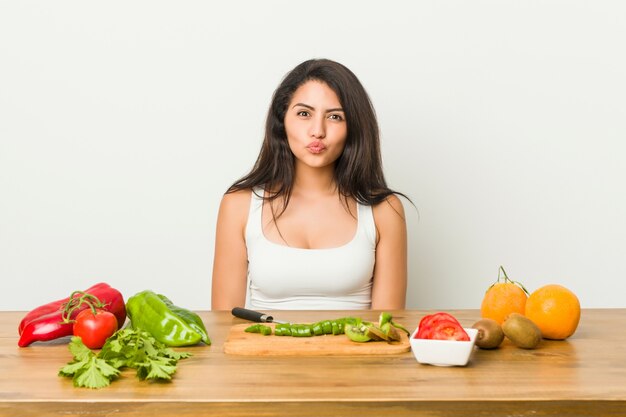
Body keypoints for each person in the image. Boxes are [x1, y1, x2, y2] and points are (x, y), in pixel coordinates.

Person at [211, 58, 409, 311]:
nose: (318, 131)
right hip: (263, 351)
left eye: (335, 117)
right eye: (304, 113)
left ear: (354, 128)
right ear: (282, 121)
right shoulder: (239, 204)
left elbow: (387, 329)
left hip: (358, 352)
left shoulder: (384, 210)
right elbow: (224, 324)